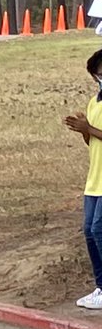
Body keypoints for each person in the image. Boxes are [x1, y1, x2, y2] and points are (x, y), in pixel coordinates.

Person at [63, 47, 102, 310]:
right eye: (98, 75)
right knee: (89, 231)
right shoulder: (94, 102)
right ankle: (100, 286)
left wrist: (90, 128)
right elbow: (93, 142)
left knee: (99, 229)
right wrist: (83, 130)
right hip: (94, 178)